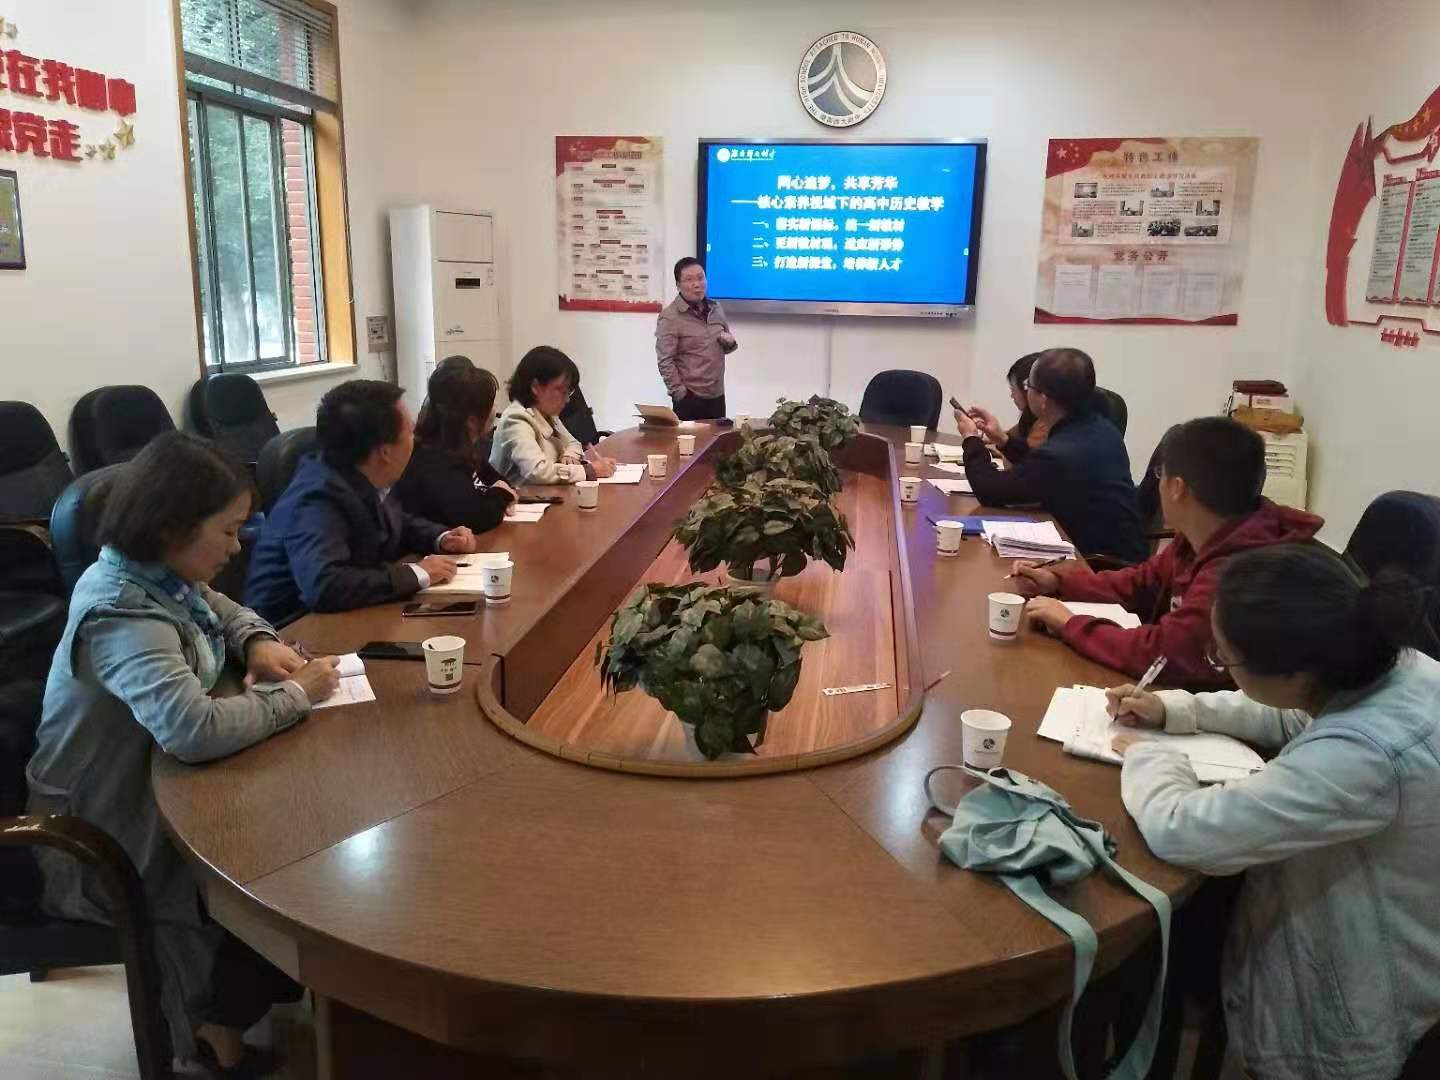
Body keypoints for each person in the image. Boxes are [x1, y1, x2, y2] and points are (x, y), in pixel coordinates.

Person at [26, 432, 343, 1074]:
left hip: (152, 787)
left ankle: (246, 1001)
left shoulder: (159, 575)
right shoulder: (119, 612)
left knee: (299, 833)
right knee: (275, 864)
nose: (238, 545)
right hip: (98, 833)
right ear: (171, 528)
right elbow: (192, 730)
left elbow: (221, 609)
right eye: (227, 531)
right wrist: (297, 695)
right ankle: (209, 1038)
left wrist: (256, 642)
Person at [1108, 544, 1440, 1080]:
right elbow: (1295, 714)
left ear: (1294, 670)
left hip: (1356, 1014)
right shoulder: (1391, 664)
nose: (1220, 665)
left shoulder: (1365, 758)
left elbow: (1181, 829)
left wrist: (1150, 757)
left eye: (1224, 659)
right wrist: (1175, 707)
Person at [1014, 417, 1323, 686]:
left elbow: (1164, 654)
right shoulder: (1204, 535)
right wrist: (1060, 582)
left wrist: (1070, 624)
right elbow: (1142, 582)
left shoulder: (1240, 572)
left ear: (1177, 487)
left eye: (1160, 473)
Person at [245, 379, 480, 626]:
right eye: (410, 431)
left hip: (346, 617)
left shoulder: (358, 474)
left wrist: (442, 538)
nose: (416, 439)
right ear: (385, 451)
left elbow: (397, 524)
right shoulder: (316, 497)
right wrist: (418, 572)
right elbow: (325, 585)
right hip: (292, 631)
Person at [956, 347, 1146, 563]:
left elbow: (989, 490)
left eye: (1028, 386)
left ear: (1043, 399)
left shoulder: (1061, 453)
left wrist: (970, 438)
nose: (1026, 391)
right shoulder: (1100, 428)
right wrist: (1003, 439)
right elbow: (1037, 469)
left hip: (1098, 564)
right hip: (1119, 552)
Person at [394, 363, 518, 534]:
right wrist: (500, 495)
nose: (495, 408)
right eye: (492, 403)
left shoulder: (462, 446)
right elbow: (473, 518)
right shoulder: (434, 458)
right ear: (472, 421)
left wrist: (500, 491)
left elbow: (497, 481)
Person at [490, 345, 617, 485]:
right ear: (535, 386)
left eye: (569, 392)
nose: (567, 400)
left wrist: (570, 456)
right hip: (521, 497)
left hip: (549, 493)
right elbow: (537, 471)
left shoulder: (547, 413)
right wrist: (589, 471)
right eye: (562, 391)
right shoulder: (516, 419)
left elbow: (574, 443)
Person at [655, 256, 738, 421]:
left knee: (719, 438)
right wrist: (680, 394)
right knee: (690, 439)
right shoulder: (670, 317)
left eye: (701, 278)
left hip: (717, 395)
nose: (697, 284)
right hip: (690, 398)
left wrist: (730, 342)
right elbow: (665, 361)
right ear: (678, 285)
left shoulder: (716, 308)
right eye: (689, 279)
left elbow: (725, 346)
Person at [973, 352, 1049, 462]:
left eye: (1013, 389)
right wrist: (994, 436)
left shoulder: (1045, 425)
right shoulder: (1029, 418)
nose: (1011, 395)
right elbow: (1007, 436)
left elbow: (1021, 463)